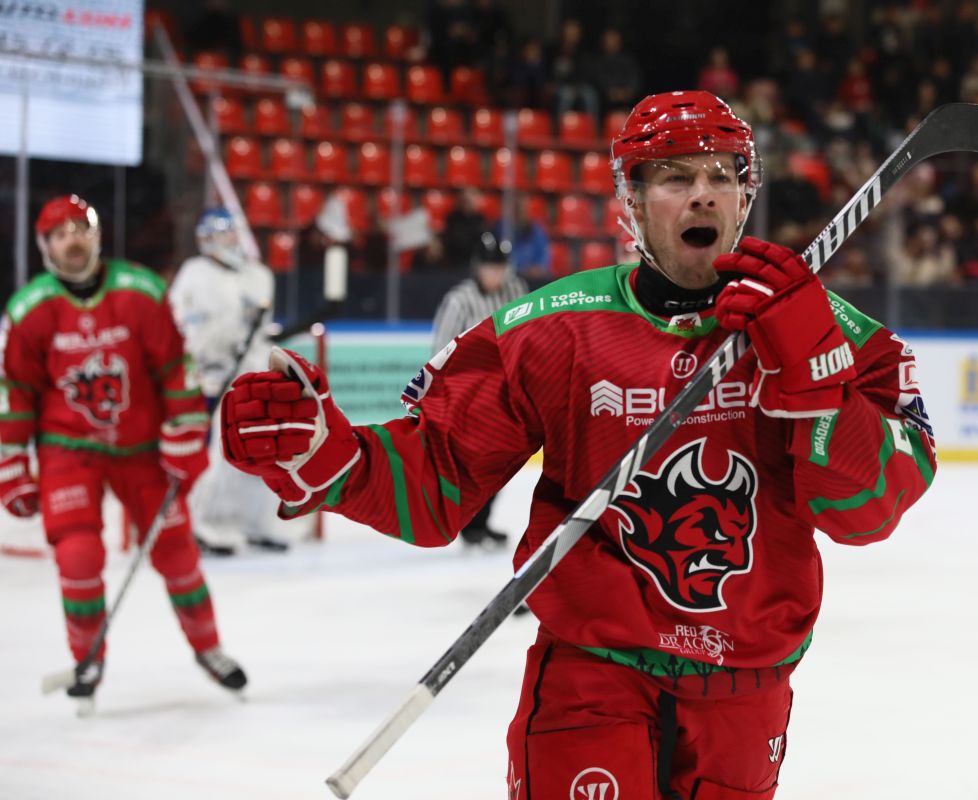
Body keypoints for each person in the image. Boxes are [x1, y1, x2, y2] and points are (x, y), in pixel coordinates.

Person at [219, 92, 936, 797]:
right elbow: (436, 480)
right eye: (676, 176)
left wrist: (819, 380)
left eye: (722, 175)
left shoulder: (826, 326)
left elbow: (866, 513)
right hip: (594, 670)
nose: (703, 196)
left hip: (746, 686)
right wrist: (330, 457)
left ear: (746, 196)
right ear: (630, 201)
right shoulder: (551, 328)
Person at [0, 195, 247, 705]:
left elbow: (177, 369)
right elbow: (15, 393)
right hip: (69, 449)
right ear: (45, 246)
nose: (72, 239)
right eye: (59, 233)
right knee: (79, 556)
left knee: (178, 553)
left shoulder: (140, 290)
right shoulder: (29, 309)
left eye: (80, 228)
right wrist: (12, 464)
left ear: (96, 236)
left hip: (141, 449)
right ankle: (87, 663)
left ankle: (208, 647)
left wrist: (185, 433)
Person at [169, 207, 291, 554]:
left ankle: (257, 522)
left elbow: (261, 331)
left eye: (229, 233)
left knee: (265, 449)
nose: (226, 242)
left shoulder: (259, 275)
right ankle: (204, 524)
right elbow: (179, 324)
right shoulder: (194, 274)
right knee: (217, 452)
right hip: (210, 378)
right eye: (217, 236)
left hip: (251, 375)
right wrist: (202, 353)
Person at [430, 231, 529, 548]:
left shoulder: (516, 290)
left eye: (500, 268)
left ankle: (480, 522)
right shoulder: (459, 300)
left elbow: (527, 337)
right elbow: (440, 351)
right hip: (470, 395)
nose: (495, 275)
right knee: (475, 463)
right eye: (490, 268)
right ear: (478, 268)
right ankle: (468, 523)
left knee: (502, 461)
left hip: (507, 393)